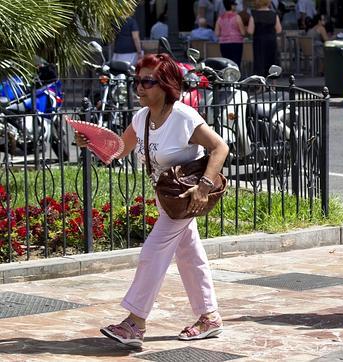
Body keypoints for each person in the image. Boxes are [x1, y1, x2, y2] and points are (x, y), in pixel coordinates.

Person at [75, 53, 230, 346]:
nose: (140, 87)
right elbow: (118, 151)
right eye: (138, 80)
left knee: (152, 253)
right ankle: (209, 316)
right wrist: (90, 142)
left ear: (167, 83)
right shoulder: (142, 117)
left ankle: (135, 322)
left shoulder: (184, 117)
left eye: (148, 81)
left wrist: (203, 188)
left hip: (184, 198)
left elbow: (220, 147)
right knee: (190, 257)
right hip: (166, 197)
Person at [247, 0, 282, 76]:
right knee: (272, 61)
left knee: (260, 62)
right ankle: (273, 84)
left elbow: (250, 31)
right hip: (271, 41)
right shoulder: (274, 14)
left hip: (259, 41)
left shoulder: (254, 15)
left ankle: (261, 86)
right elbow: (279, 30)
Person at [215, 0, 246, 67]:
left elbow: (217, 33)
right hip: (236, 43)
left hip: (223, 44)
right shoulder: (237, 17)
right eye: (234, 5)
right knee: (236, 63)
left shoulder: (220, 18)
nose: (235, 6)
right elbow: (243, 32)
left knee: (226, 64)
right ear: (231, 6)